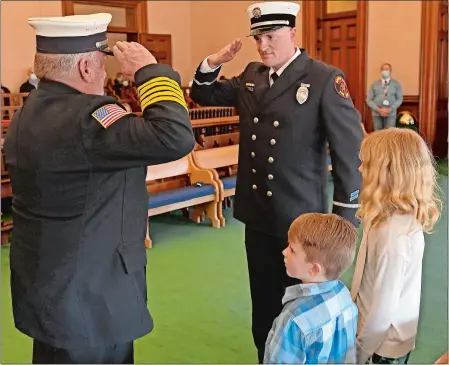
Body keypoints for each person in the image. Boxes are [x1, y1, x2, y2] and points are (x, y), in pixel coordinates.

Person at [4, 13, 195, 364]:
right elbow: (175, 137)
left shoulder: (27, 112)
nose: (105, 74)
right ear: (86, 70)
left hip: (47, 286)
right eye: (101, 65)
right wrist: (150, 72)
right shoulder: (89, 117)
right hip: (91, 298)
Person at [190, 2, 363, 362]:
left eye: (271, 36)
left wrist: (344, 221)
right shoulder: (251, 76)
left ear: (292, 33)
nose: (264, 45)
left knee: (304, 307)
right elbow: (203, 94)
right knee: (264, 302)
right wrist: (214, 60)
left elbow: (349, 152)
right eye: (258, 38)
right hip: (259, 215)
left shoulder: (322, 78)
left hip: (301, 219)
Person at [351, 128, 442, 364]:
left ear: (389, 174)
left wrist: (359, 355)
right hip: (372, 333)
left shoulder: (394, 236)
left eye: (367, 164)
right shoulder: (386, 216)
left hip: (381, 346)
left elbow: (383, 311)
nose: (360, 169)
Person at [264, 213, 358, 364]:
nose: (284, 252)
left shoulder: (294, 318)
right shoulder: (344, 295)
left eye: (292, 250)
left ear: (314, 269)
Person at [366, 63, 403, 130]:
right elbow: (368, 100)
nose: (385, 71)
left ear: (390, 71)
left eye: (387, 69)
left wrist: (390, 109)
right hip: (377, 114)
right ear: (380, 71)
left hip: (391, 114)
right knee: (378, 135)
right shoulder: (374, 84)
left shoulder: (396, 84)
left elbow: (399, 99)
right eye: (383, 69)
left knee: (389, 135)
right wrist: (378, 109)